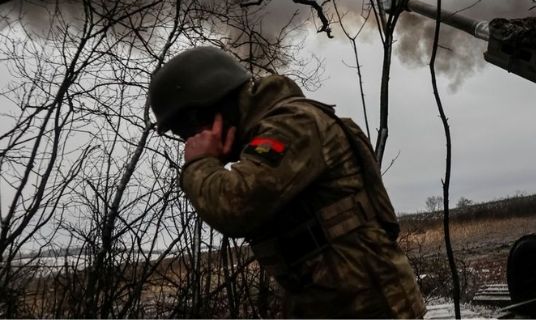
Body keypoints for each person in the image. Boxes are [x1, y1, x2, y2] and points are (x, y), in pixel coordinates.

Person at [148, 46, 426, 318]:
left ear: (206, 111)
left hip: (368, 303)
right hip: (334, 299)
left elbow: (234, 206)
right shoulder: (268, 133)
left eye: (186, 130)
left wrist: (199, 164)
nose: (190, 141)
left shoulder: (292, 124)